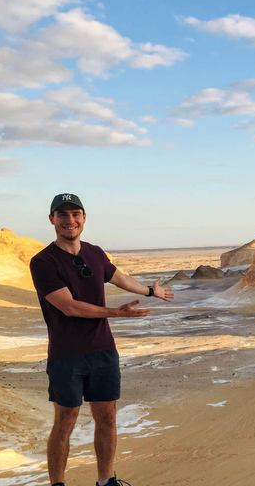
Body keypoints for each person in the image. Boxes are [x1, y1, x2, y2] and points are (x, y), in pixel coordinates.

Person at [29, 193, 174, 486]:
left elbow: (119, 277)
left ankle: (106, 481)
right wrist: (115, 313)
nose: (70, 220)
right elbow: (68, 306)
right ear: (52, 219)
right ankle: (57, 484)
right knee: (65, 421)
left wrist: (150, 291)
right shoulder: (43, 261)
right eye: (63, 215)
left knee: (107, 417)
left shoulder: (94, 252)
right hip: (67, 355)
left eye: (75, 214)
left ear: (84, 218)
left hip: (103, 351)